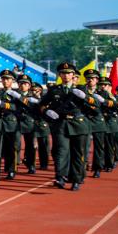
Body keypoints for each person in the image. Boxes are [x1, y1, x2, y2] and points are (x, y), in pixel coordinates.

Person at [38, 62, 91, 190]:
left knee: (77, 153)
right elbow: (41, 104)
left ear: (73, 75)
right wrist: (47, 111)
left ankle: (76, 179)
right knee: (61, 151)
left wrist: (85, 97)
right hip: (61, 124)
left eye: (68, 73)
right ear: (59, 75)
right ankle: (60, 177)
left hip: (78, 124)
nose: (66, 75)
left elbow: (93, 104)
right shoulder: (54, 90)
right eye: (63, 73)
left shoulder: (81, 88)